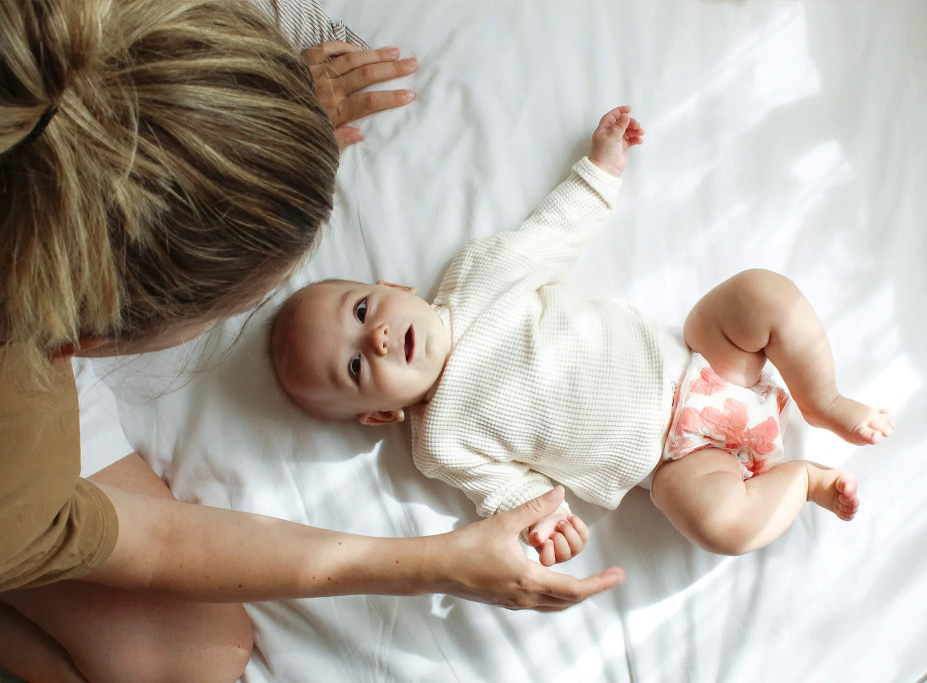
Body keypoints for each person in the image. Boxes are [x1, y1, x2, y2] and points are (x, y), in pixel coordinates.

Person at [0, 1, 625, 682]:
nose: (377, 337)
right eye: (352, 355)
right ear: (80, 341)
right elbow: (157, 543)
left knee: (203, 651)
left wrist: (228, 127)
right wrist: (437, 562)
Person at [270, 105, 897, 568]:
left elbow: (550, 235)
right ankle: (805, 482)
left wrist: (600, 171)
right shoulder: (439, 442)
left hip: (699, 361)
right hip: (676, 463)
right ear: (381, 413)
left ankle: (822, 399)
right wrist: (547, 523)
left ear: (393, 287)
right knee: (720, 527)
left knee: (760, 294)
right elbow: (508, 492)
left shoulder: (474, 277)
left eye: (362, 312)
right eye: (355, 368)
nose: (376, 340)